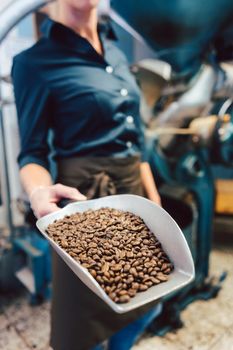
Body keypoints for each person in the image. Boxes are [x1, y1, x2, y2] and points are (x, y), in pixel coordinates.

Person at [11, 0, 162, 349]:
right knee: (80, 324)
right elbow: (32, 153)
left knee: (146, 303)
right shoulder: (34, 63)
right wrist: (37, 194)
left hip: (133, 197)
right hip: (81, 206)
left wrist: (154, 201)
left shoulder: (115, 50)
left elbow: (135, 138)